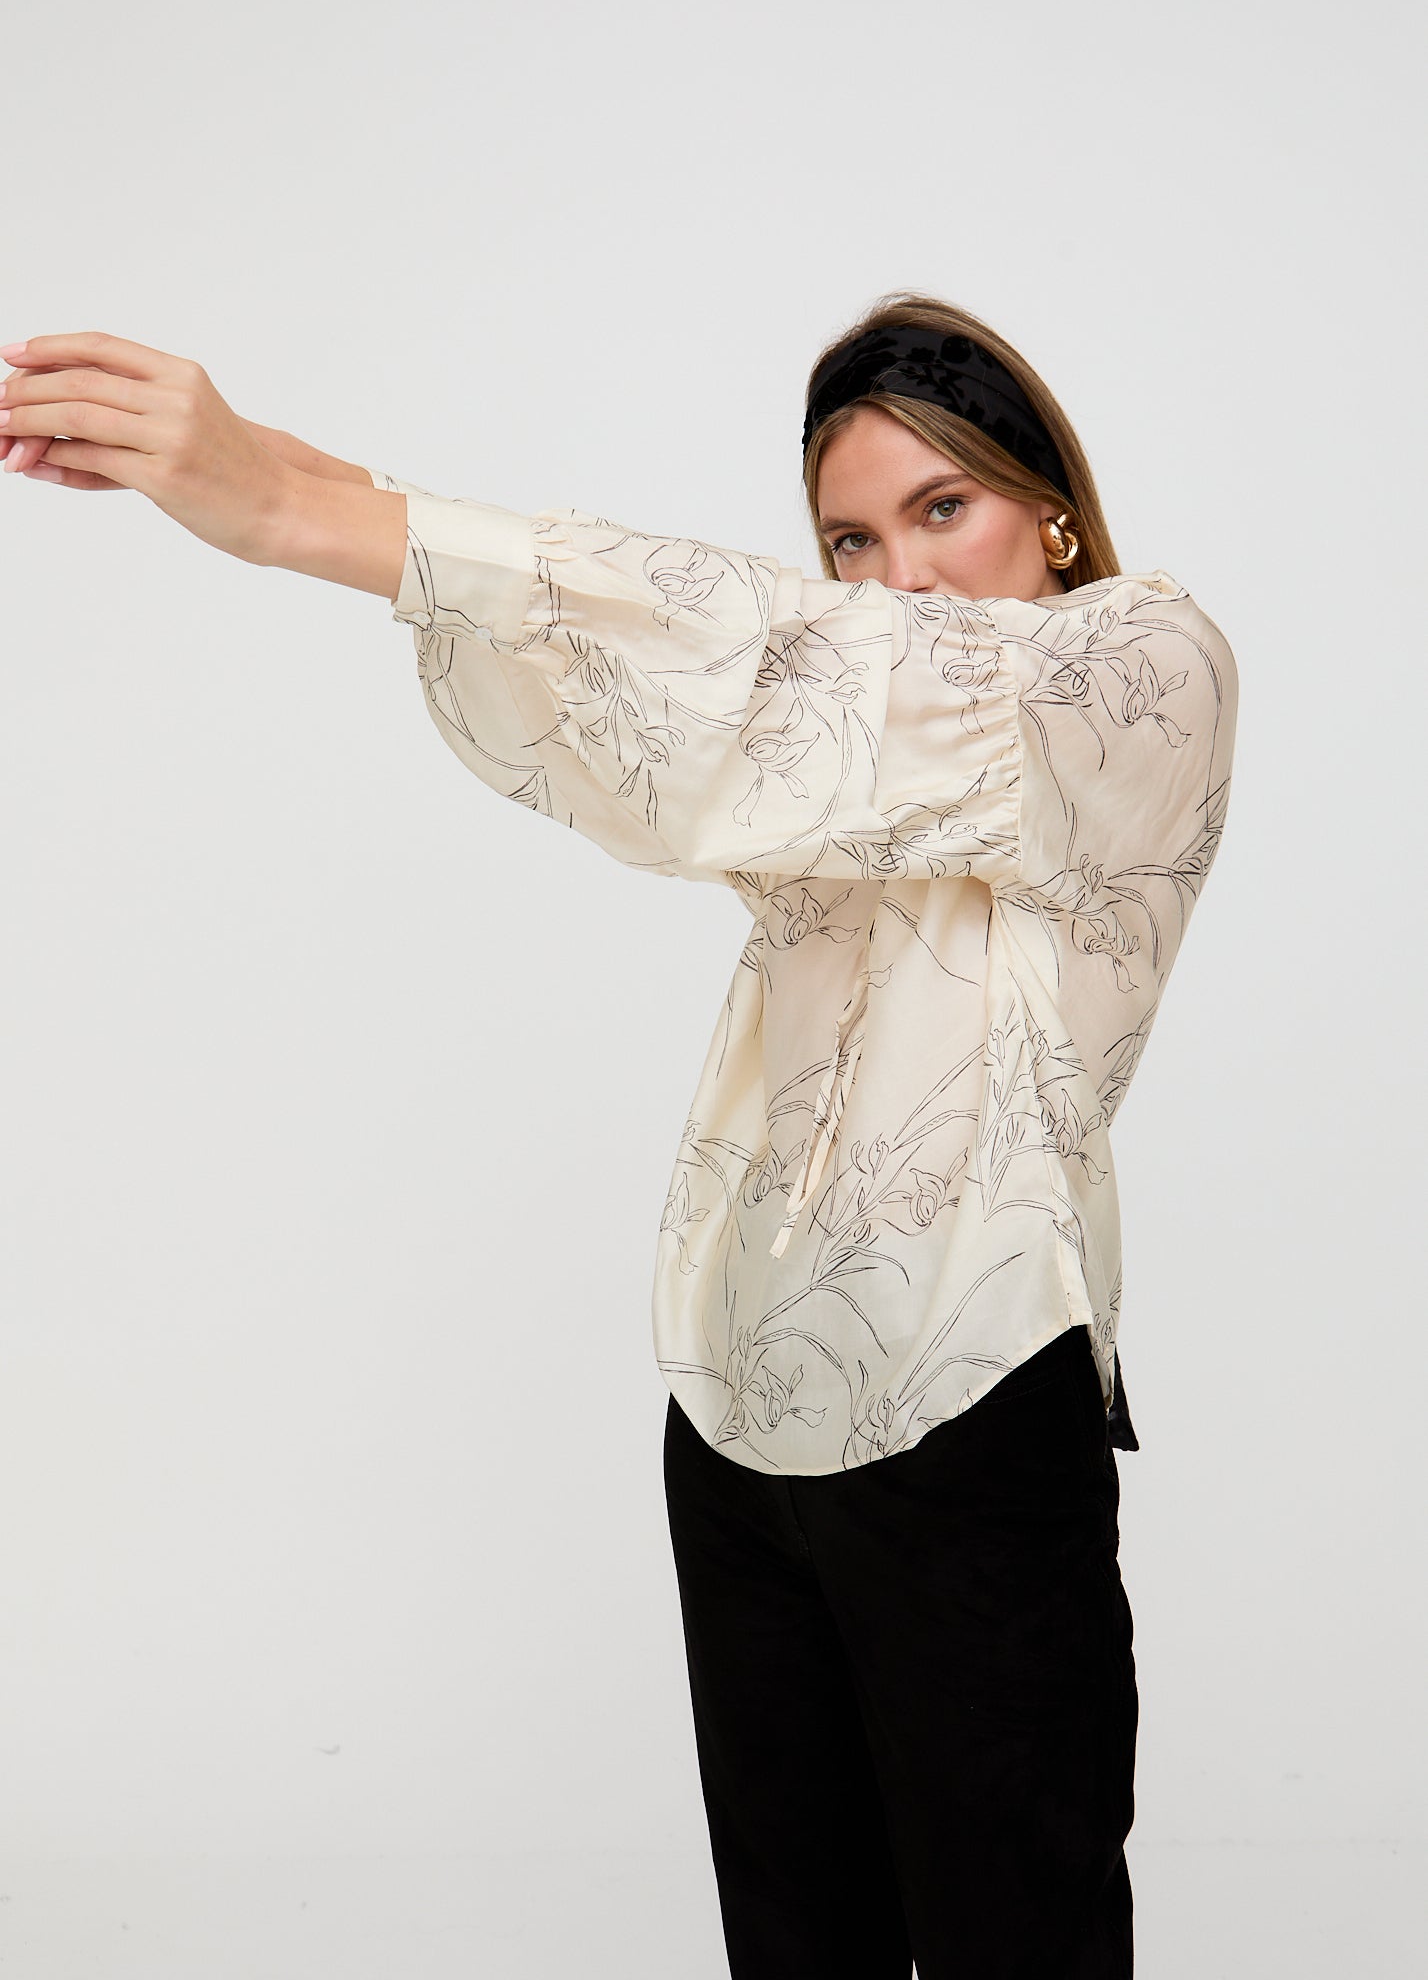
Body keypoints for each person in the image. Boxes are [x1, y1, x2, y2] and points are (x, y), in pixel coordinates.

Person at [0, 292, 1239, 1977]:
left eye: (944, 508)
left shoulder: (1138, 668)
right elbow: (632, 714)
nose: (901, 574)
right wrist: (284, 485)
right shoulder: (829, 737)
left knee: (1018, 1938)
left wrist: (308, 513)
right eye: (852, 539)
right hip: (736, 1416)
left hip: (967, 1409)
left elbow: (813, 662)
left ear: (1054, 510)